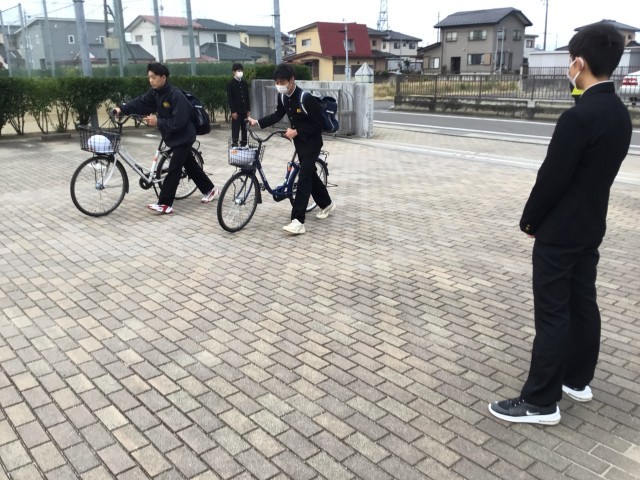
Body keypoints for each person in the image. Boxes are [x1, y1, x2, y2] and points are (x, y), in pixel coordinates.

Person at [488, 23, 632, 425]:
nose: (570, 67)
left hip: (560, 231)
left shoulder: (578, 118)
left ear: (579, 63)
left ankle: (540, 401)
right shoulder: (620, 114)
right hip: (591, 226)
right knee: (583, 302)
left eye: (571, 61)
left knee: (552, 313)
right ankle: (577, 379)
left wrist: (530, 220)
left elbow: (552, 179)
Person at [114, 62, 218, 215]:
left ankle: (165, 204)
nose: (151, 80)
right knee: (190, 166)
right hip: (174, 136)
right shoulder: (156, 93)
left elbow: (179, 122)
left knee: (174, 169)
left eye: (154, 77)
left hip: (184, 136)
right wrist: (122, 109)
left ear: (163, 77)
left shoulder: (176, 95)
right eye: (149, 77)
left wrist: (158, 122)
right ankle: (210, 189)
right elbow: (140, 102)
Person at [248, 63, 336, 235]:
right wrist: (258, 122)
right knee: (310, 175)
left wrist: (296, 131)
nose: (279, 85)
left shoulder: (305, 98)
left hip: (312, 143)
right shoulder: (283, 97)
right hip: (299, 143)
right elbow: (278, 114)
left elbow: (318, 125)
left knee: (304, 179)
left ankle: (298, 221)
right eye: (277, 82)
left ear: (292, 80)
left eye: (282, 82)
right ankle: (327, 203)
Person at [227, 63, 251, 147]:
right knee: (236, 129)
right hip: (236, 112)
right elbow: (230, 99)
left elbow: (247, 98)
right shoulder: (231, 84)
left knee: (245, 129)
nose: (240, 72)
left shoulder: (244, 84)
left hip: (244, 111)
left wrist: (248, 110)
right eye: (238, 70)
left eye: (241, 70)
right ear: (234, 72)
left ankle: (244, 145)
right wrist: (233, 111)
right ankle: (234, 145)